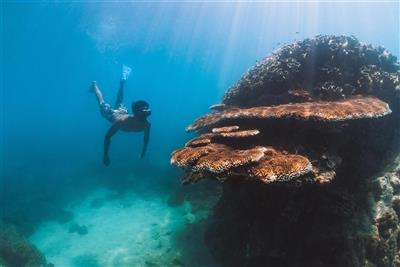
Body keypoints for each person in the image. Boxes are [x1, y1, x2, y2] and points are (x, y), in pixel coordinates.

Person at [90, 65, 151, 166]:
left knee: (119, 101)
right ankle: (94, 85)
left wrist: (144, 151)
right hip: (111, 114)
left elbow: (146, 139)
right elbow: (107, 137)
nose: (147, 114)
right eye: (145, 112)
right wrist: (105, 155)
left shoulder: (147, 124)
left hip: (122, 112)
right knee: (102, 103)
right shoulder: (122, 123)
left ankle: (123, 81)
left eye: (147, 112)